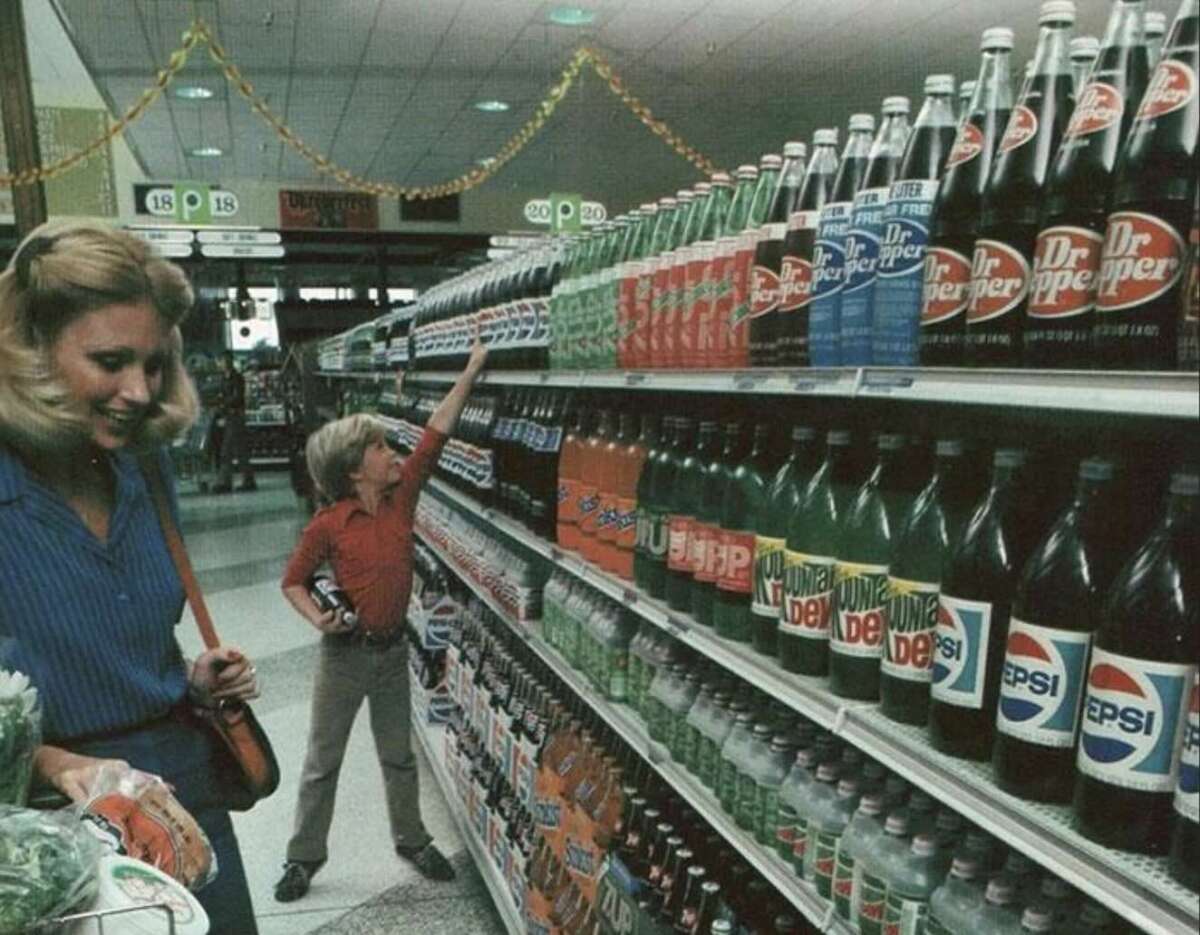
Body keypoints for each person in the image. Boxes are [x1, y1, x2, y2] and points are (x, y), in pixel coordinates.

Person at [0, 220, 262, 934]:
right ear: (29, 350)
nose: (138, 390)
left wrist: (189, 678)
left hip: (178, 794)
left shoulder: (145, 464)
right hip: (43, 824)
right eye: (110, 360)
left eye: (152, 363)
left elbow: (124, 625)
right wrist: (55, 762)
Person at [274, 336, 487, 902]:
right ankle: (303, 858)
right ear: (353, 472)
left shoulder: (403, 498)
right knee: (323, 760)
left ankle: (411, 839)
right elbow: (293, 581)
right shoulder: (328, 524)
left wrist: (471, 370)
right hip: (344, 658)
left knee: (398, 754)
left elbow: (437, 433)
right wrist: (320, 619)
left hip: (393, 652)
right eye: (381, 448)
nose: (395, 454)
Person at [213, 349, 256, 493]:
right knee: (240, 450)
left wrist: (223, 404)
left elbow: (238, 397)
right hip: (230, 416)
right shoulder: (224, 378)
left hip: (235, 416)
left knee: (227, 451)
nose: (220, 363)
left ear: (229, 361)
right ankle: (248, 481)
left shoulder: (236, 378)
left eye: (222, 360)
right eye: (219, 360)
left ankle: (225, 483)